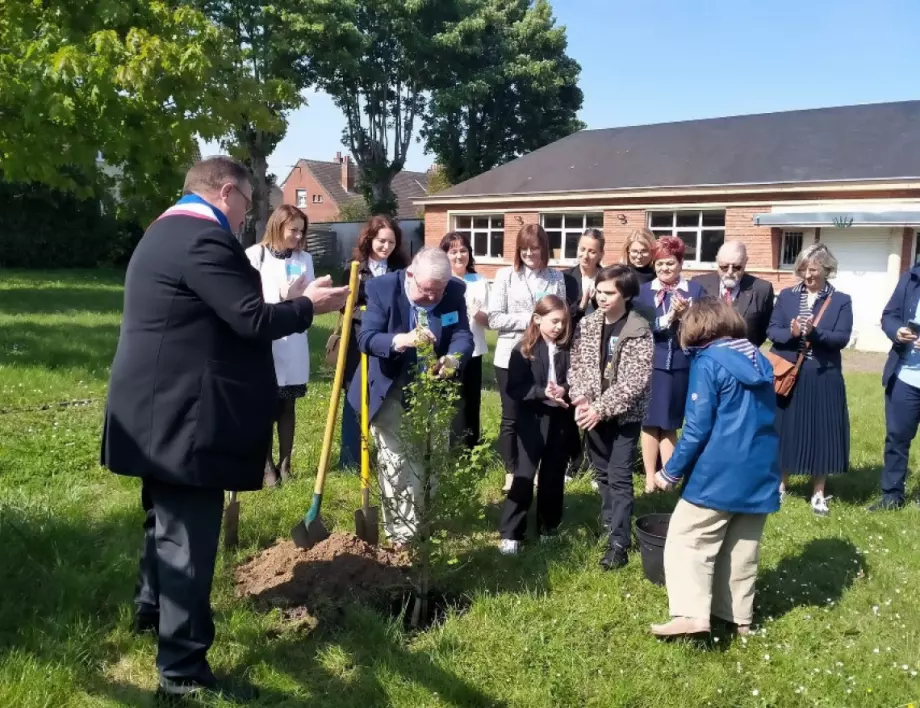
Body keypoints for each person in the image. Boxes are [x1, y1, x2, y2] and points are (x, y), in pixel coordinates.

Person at [101, 156, 349, 700]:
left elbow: (223, 310)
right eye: (247, 202)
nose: (248, 215)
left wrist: (289, 300)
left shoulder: (163, 231)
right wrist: (309, 307)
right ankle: (182, 671)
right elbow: (252, 321)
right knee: (187, 540)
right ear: (226, 191)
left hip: (151, 408)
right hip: (185, 415)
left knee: (162, 521)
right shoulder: (203, 238)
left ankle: (150, 612)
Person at [650, 298, 780, 639]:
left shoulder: (707, 362)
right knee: (742, 549)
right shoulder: (760, 359)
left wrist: (670, 472)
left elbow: (696, 429)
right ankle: (739, 620)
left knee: (688, 539)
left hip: (718, 472)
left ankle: (692, 615)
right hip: (761, 469)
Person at [348, 247, 474, 547]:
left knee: (433, 461)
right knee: (399, 466)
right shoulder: (381, 289)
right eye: (427, 291)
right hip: (389, 389)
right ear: (410, 275)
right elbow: (366, 339)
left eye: (438, 292)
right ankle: (402, 539)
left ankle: (426, 523)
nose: (433, 299)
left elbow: (462, 334)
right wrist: (401, 340)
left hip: (431, 390)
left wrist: (453, 359)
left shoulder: (453, 291)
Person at [567, 265, 653, 570]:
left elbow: (634, 382)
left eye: (609, 293)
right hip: (592, 413)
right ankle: (609, 523)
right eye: (598, 292)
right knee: (601, 473)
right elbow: (576, 365)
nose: (601, 298)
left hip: (623, 417)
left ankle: (620, 543)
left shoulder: (638, 330)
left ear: (626, 294)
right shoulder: (588, 324)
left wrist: (599, 409)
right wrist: (579, 398)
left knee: (619, 477)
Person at [768, 243, 852, 516]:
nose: (807, 275)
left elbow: (841, 338)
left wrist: (815, 333)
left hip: (824, 375)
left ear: (827, 270)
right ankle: (780, 486)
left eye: (813, 269)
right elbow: (773, 330)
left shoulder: (841, 300)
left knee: (822, 433)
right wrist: (791, 332)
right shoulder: (787, 297)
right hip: (791, 374)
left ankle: (818, 492)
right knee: (786, 430)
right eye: (803, 269)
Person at [488, 224, 566, 492]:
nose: (530, 253)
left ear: (545, 248)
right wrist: (532, 320)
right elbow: (495, 317)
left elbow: (561, 315)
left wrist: (545, 324)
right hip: (511, 354)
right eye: (525, 248)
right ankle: (511, 470)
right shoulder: (505, 276)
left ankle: (533, 465)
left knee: (537, 413)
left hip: (545, 357)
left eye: (535, 248)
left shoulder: (556, 277)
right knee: (511, 415)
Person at [245, 205, 315, 487]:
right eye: (293, 230)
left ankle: (286, 464)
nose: (298, 236)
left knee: (288, 404)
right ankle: (266, 466)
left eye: (301, 231)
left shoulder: (304, 258)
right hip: (266, 339)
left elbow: (309, 297)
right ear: (277, 226)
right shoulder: (255, 255)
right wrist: (281, 295)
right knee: (264, 405)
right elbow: (248, 299)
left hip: (294, 340)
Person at [499, 295, 572, 554]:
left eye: (563, 322)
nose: (559, 327)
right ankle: (511, 532)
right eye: (554, 321)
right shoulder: (523, 350)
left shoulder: (568, 349)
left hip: (560, 419)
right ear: (537, 319)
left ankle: (548, 527)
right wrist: (543, 393)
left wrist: (563, 390)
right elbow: (516, 388)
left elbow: (573, 380)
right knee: (525, 475)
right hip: (532, 419)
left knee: (553, 476)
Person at [637, 236, 706, 493]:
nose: (664, 269)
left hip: (681, 365)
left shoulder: (695, 291)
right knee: (649, 422)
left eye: (670, 263)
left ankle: (669, 479)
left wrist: (686, 315)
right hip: (650, 364)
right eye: (660, 264)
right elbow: (643, 326)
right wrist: (668, 317)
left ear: (680, 263)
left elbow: (703, 328)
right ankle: (648, 479)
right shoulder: (645, 291)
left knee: (670, 423)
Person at [338, 215, 408, 469]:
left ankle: (382, 453)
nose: (385, 247)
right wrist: (371, 314)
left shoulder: (400, 270)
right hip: (358, 342)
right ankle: (350, 458)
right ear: (370, 239)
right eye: (381, 241)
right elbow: (347, 307)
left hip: (389, 342)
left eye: (391, 242)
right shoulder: (355, 268)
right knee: (354, 398)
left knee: (385, 395)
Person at [877, 260, 920, 510]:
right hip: (905, 375)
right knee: (897, 438)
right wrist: (898, 330)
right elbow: (889, 314)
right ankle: (892, 496)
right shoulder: (911, 277)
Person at [440, 231, 489, 448]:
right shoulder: (440, 280)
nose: (459, 256)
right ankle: (447, 445)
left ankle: (471, 446)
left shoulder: (479, 280)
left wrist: (478, 314)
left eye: (463, 250)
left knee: (471, 400)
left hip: (475, 349)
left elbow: (490, 321)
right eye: (453, 251)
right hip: (448, 351)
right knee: (448, 399)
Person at [693, 240, 775, 347]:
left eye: (737, 267)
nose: (730, 272)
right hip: (706, 355)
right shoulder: (699, 284)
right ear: (717, 262)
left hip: (743, 356)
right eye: (724, 267)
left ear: (745, 262)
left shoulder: (762, 289)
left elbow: (763, 329)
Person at [565, 228, 606, 324]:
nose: (585, 256)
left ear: (601, 254)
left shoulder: (608, 279)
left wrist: (596, 302)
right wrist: (581, 306)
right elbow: (560, 314)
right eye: (582, 249)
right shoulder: (565, 277)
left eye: (592, 252)